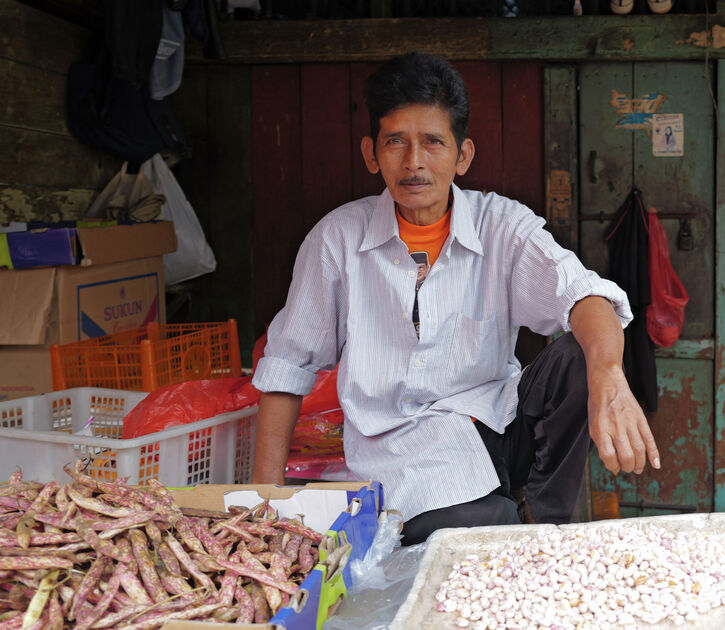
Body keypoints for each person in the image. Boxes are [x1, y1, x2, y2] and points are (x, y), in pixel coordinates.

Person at [251, 51, 660, 545]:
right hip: (407, 456)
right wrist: (263, 507)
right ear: (371, 153)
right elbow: (287, 368)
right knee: (484, 537)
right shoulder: (336, 241)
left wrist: (610, 376)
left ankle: (547, 524)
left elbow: (583, 295)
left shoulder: (501, 225)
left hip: (503, 426)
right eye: (395, 142)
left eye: (433, 143)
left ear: (462, 155)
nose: (414, 161)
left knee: (580, 353)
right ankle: (518, 531)